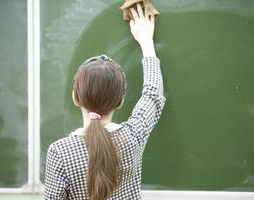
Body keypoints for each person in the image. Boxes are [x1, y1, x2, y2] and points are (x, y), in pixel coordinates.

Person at [44, 3, 166, 200]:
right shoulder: (133, 136)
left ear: (75, 97)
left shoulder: (60, 153)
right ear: (120, 101)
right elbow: (153, 95)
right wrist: (146, 42)